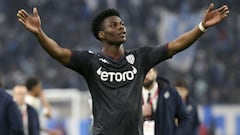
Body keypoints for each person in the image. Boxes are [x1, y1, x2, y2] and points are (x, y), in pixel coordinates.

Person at [17, 3, 229, 135]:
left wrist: (201, 27)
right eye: (113, 25)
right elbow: (59, 52)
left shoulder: (140, 57)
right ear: (102, 35)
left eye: (122, 23)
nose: (121, 27)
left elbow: (175, 45)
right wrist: (39, 34)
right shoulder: (91, 61)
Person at [142, 68, 189, 135]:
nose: (146, 76)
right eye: (143, 72)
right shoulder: (132, 95)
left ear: (155, 73)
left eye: (149, 72)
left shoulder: (171, 93)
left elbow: (185, 118)